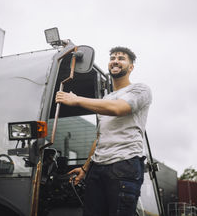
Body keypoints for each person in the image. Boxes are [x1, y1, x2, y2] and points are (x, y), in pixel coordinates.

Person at [55, 46, 152, 216]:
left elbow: (119, 108)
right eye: (113, 57)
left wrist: (77, 100)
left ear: (131, 67)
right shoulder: (105, 99)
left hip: (124, 164)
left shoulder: (140, 90)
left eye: (121, 58)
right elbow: (100, 137)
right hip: (98, 168)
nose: (115, 60)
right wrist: (85, 169)